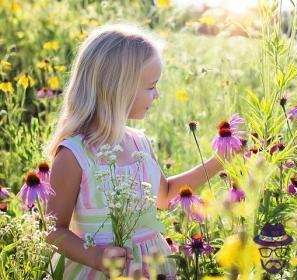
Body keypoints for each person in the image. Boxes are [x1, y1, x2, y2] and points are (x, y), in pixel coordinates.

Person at [46, 23, 224, 279]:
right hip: (96, 271)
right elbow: (54, 230)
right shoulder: (74, 155)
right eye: (151, 87)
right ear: (118, 89)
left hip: (153, 267)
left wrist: (218, 161)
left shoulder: (140, 143)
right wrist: (95, 256)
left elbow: (164, 197)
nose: (158, 95)